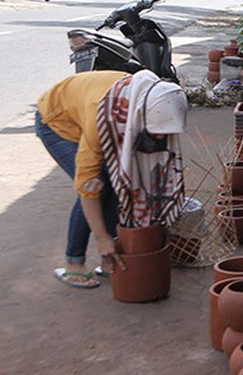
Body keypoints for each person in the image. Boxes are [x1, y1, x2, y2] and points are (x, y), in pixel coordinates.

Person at [35, 69, 188, 289]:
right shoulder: (103, 115)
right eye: (156, 133)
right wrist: (101, 237)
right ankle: (74, 262)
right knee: (98, 184)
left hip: (87, 109)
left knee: (119, 182)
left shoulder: (152, 98)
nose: (161, 139)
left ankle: (116, 251)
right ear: (139, 116)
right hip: (58, 122)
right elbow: (87, 186)